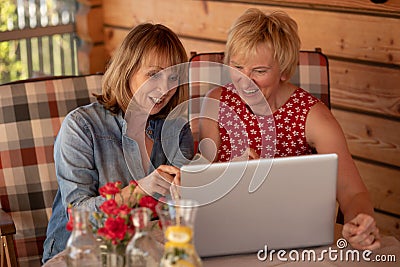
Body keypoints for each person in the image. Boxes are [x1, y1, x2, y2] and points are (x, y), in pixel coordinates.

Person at [198, 8, 380, 250]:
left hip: (295, 243)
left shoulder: (314, 117)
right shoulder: (216, 102)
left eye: (259, 71)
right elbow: (201, 180)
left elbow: (353, 193)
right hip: (225, 235)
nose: (244, 81)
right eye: (237, 67)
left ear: (284, 70)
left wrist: (359, 224)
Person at [42, 23, 194, 263]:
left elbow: (183, 210)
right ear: (127, 70)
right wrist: (138, 190)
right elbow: (78, 216)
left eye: (173, 77)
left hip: (149, 250)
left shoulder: (178, 129)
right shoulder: (81, 127)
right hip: (80, 254)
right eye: (153, 74)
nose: (165, 89)